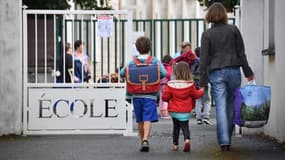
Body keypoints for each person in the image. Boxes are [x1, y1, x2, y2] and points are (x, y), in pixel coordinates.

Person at [199, 2, 254, 151]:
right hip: (234, 70)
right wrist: (248, 72)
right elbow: (241, 53)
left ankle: (224, 142)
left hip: (216, 73)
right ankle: (227, 137)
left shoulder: (207, 34)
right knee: (231, 105)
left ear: (209, 16)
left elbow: (203, 60)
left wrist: (202, 82)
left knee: (221, 107)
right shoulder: (234, 30)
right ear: (224, 15)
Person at [120, 36, 166, 152]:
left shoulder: (132, 62)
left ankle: (142, 141)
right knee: (148, 118)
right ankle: (146, 139)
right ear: (149, 48)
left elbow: (122, 73)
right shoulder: (155, 61)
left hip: (136, 94)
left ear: (137, 48)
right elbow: (164, 73)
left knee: (140, 119)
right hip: (150, 94)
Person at [162, 61, 204, 152]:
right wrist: (201, 90)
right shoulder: (190, 84)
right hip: (185, 110)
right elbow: (196, 95)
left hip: (174, 110)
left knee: (176, 127)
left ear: (175, 72)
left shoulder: (171, 84)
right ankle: (187, 140)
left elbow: (165, 97)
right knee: (185, 126)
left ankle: (175, 145)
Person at [193, 47, 212, 125]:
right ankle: (206, 117)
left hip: (197, 82)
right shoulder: (206, 61)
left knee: (198, 100)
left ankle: (198, 118)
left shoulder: (195, 61)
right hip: (206, 81)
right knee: (207, 100)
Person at [159, 55, 173, 119]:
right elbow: (169, 74)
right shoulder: (169, 66)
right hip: (166, 83)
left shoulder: (161, 66)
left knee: (161, 98)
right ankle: (165, 113)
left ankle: (161, 111)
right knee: (166, 98)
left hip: (160, 83)